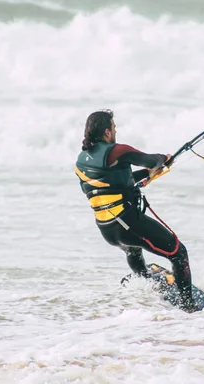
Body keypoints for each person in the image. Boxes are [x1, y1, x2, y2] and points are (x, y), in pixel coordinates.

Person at [74, 109, 196, 312]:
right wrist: (163, 159)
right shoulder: (117, 151)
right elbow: (151, 160)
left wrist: (147, 174)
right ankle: (188, 307)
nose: (115, 131)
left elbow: (107, 184)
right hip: (127, 224)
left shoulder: (81, 161)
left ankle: (145, 286)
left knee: (133, 249)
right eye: (114, 128)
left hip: (107, 229)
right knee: (178, 253)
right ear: (106, 132)